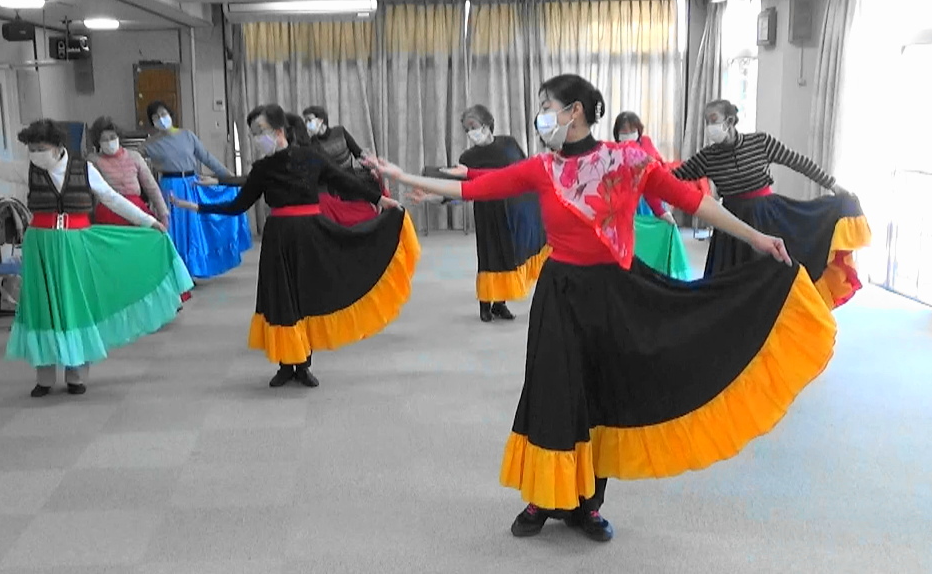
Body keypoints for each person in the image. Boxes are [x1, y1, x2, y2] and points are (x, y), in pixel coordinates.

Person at [364, 74, 836, 542]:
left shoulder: (627, 161)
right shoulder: (543, 167)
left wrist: (756, 237)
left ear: (574, 112)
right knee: (552, 392)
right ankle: (543, 498)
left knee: (603, 395)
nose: (541, 115)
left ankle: (589, 503)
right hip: (560, 295)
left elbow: (694, 202)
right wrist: (403, 177)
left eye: (547, 105)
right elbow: (478, 189)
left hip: (614, 293)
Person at [0, 112, 193, 397]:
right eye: (31, 149)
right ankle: (44, 377)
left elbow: (112, 198)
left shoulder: (85, 169)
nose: (35, 154)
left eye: (41, 148)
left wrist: (148, 221)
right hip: (40, 246)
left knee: (76, 306)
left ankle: (76, 375)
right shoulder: (28, 169)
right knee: (42, 308)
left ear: (57, 146)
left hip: (75, 244)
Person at [171, 105, 419, 388]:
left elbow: (344, 181)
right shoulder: (262, 169)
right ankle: (286, 365)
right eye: (253, 133)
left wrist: (378, 199)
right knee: (281, 298)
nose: (256, 138)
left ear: (279, 131)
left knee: (308, 294)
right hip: (277, 239)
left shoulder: (311, 157)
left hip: (310, 234)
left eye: (260, 131)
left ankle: (303, 365)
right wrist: (198, 207)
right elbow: (239, 204)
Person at [673, 99, 871, 308]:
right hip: (731, 223)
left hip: (767, 217)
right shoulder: (707, 157)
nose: (709, 127)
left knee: (772, 275)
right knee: (730, 285)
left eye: (713, 120)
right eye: (707, 121)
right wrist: (650, 170)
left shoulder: (760, 142)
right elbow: (674, 177)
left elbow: (798, 162)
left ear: (729, 121)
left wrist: (833, 185)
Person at [454, 104, 548, 322]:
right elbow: (464, 186)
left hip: (511, 209)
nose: (470, 132)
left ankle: (500, 303)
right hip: (486, 211)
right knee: (488, 255)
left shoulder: (508, 144)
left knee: (508, 253)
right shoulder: (467, 157)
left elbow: (523, 171)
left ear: (487, 124)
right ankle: (485, 303)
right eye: (466, 129)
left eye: (473, 126)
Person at [140, 101, 253, 279]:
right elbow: (132, 159)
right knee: (175, 228)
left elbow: (206, 158)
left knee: (194, 227)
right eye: (156, 117)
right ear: (152, 121)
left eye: (163, 114)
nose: (161, 119)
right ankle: (177, 271)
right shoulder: (150, 144)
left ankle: (194, 267)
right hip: (170, 187)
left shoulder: (187, 135)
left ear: (170, 114)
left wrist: (229, 178)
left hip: (192, 183)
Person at [88, 116, 191, 304]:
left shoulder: (134, 157)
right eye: (104, 139)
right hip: (108, 215)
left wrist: (163, 213)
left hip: (137, 211)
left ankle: (163, 300)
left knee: (151, 254)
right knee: (116, 262)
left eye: (112, 137)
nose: (109, 142)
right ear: (97, 142)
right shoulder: (93, 161)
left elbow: (151, 187)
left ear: (118, 137)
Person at [613, 111, 691, 279]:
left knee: (647, 239)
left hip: (646, 201)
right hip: (623, 202)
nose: (627, 134)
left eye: (631, 130)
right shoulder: (613, 151)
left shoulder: (646, 146)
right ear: (617, 133)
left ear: (639, 130)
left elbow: (652, 178)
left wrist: (661, 211)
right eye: (623, 130)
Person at [303, 105, 389, 227]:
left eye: (309, 120)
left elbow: (358, 153)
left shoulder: (340, 132)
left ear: (320, 120)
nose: (306, 124)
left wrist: (372, 167)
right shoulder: (313, 143)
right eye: (305, 121)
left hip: (352, 180)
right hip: (333, 188)